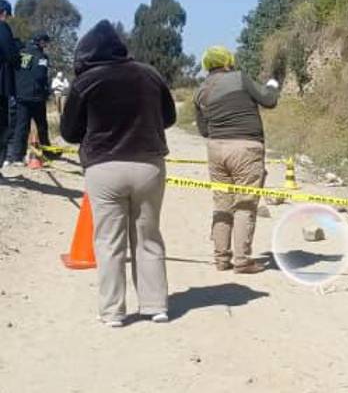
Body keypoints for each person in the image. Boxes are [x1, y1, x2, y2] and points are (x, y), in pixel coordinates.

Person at [60, 20, 176, 327]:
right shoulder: (149, 74)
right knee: (148, 236)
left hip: (103, 167)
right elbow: (169, 117)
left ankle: (112, 312)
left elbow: (69, 132)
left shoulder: (86, 81)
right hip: (149, 165)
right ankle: (156, 306)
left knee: (109, 241)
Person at [193, 45, 279, 274]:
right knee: (245, 204)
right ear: (228, 61)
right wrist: (273, 84)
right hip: (246, 148)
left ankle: (221, 259)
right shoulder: (239, 78)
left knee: (222, 203)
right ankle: (242, 260)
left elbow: (203, 130)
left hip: (216, 149)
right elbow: (269, 100)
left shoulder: (200, 90)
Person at [7, 33, 53, 165]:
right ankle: (47, 151)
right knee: (42, 126)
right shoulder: (41, 57)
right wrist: (46, 91)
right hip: (36, 96)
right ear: (40, 42)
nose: (46, 45)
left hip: (20, 96)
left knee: (21, 127)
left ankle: (17, 156)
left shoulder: (20, 54)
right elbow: (40, 76)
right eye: (45, 42)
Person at [0, 0, 20, 176]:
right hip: (1, 85)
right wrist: (17, 50)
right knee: (2, 125)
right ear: (4, 13)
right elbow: (11, 55)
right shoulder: (2, 28)